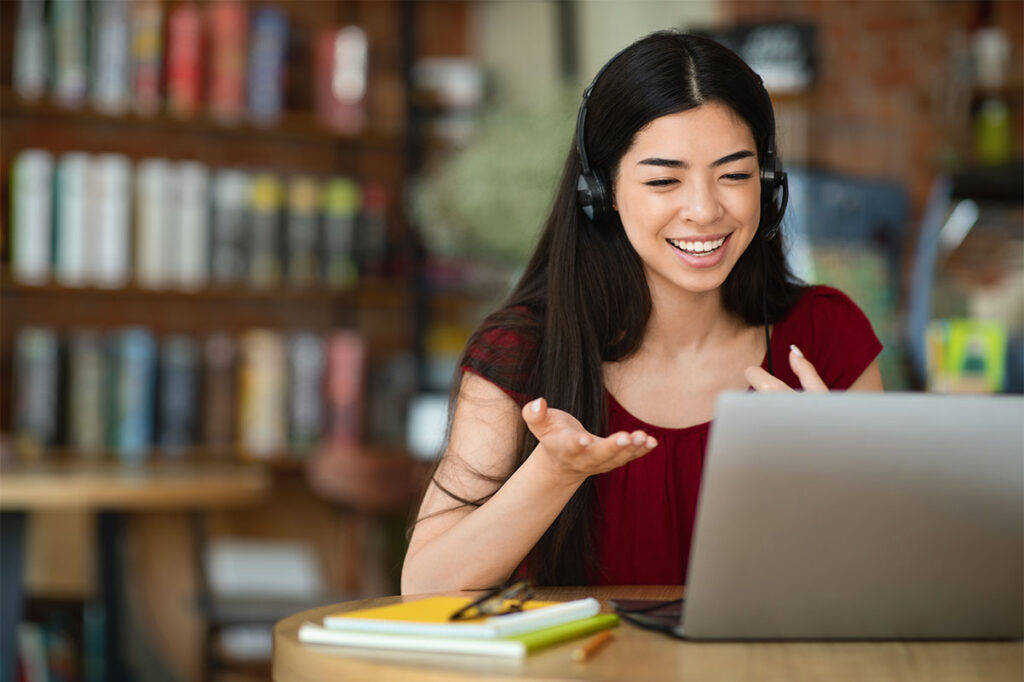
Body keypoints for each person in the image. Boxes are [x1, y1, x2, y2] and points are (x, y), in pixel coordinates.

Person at [401, 30, 883, 594]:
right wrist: (554, 474)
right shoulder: (522, 350)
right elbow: (425, 587)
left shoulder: (827, 335)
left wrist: (837, 476)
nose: (704, 210)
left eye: (734, 175)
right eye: (663, 180)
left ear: (769, 184)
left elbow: (890, 585)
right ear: (600, 194)